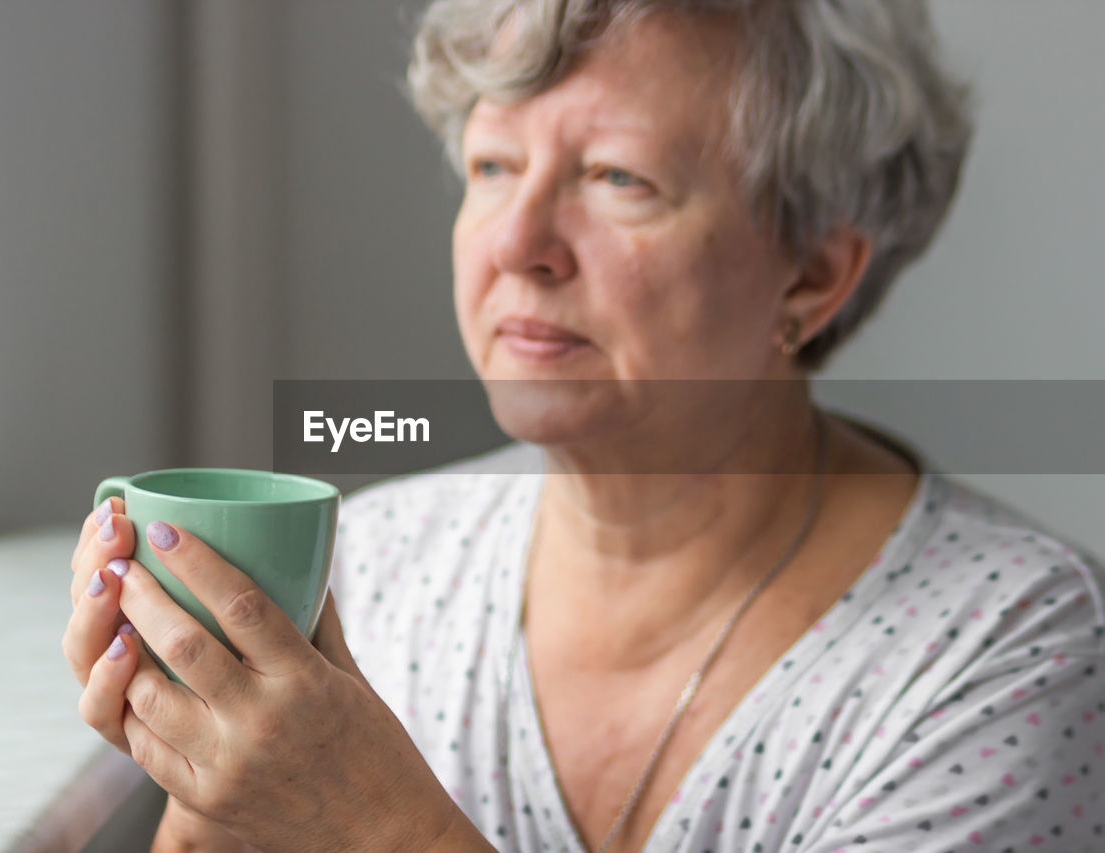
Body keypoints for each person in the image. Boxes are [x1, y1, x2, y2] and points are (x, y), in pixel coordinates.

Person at [63, 1, 1105, 851]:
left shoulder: (1015, 648)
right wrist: (216, 790)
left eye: (618, 178)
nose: (517, 243)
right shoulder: (374, 569)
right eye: (491, 167)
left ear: (812, 271)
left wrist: (374, 823)